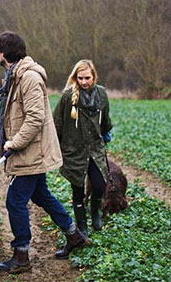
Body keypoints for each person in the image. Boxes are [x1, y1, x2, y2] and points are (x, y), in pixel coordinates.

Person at [0, 31, 88, 273]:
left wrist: (14, 143)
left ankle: (21, 255)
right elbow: (14, 115)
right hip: (29, 149)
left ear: (4, 53)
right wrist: (1, 138)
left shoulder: (29, 78)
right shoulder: (14, 76)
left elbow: (34, 118)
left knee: (15, 201)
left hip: (32, 151)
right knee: (40, 195)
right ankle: (74, 235)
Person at [53, 60, 113, 242]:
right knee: (77, 190)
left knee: (99, 185)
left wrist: (104, 136)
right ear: (75, 78)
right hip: (74, 151)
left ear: (94, 76)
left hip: (94, 149)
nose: (84, 82)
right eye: (80, 78)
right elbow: (57, 124)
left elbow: (105, 121)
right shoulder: (67, 96)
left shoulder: (101, 94)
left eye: (87, 78)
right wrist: (59, 148)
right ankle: (82, 226)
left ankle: (95, 212)